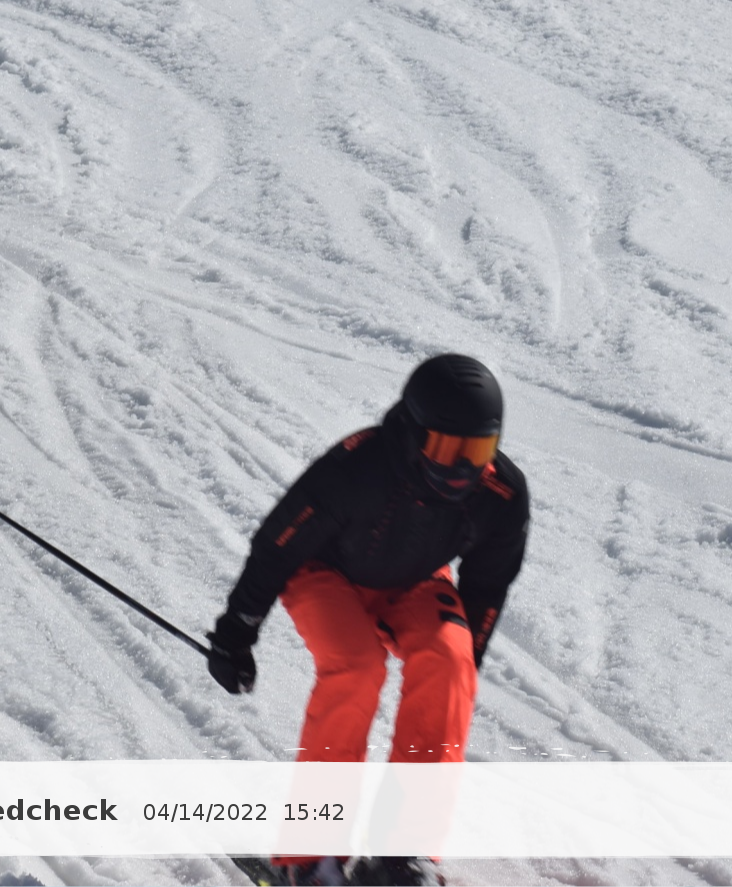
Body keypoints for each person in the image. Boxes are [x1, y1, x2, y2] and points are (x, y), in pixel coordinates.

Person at [206, 354, 530, 887]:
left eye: (477, 452)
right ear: (414, 433)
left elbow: (486, 586)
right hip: (324, 573)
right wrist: (235, 633)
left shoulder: (500, 494)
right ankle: (309, 858)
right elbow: (278, 545)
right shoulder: (358, 468)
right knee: (356, 667)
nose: (461, 470)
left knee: (452, 663)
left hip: (415, 580)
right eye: (446, 449)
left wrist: (464, 666)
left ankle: (400, 855)